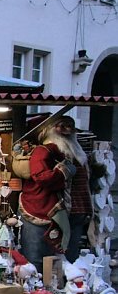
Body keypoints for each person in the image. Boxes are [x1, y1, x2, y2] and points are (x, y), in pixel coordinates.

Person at [19, 114, 92, 272]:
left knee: (68, 260)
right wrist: (63, 172)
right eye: (61, 126)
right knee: (37, 258)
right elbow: (41, 177)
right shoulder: (43, 150)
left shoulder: (76, 152)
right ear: (51, 129)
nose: (66, 130)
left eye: (70, 126)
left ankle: (68, 290)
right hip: (45, 212)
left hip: (74, 212)